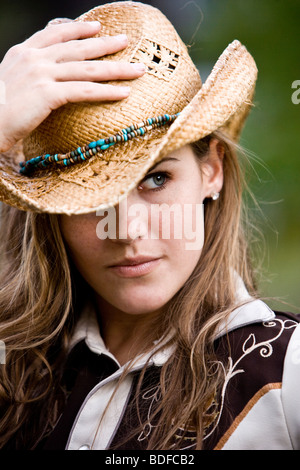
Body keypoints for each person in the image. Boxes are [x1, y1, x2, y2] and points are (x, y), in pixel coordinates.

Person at [0, 1, 299, 451]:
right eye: (91, 196)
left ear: (212, 170)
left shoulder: (288, 375)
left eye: (157, 179)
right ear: (52, 213)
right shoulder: (12, 367)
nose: (126, 228)